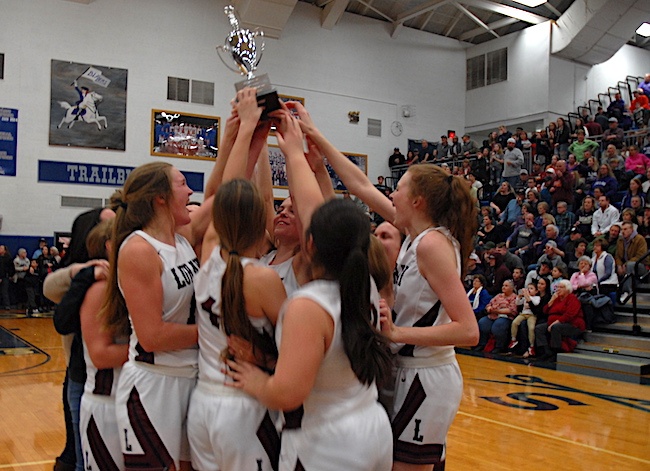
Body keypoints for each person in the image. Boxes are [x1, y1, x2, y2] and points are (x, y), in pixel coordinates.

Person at [285, 101, 478, 470]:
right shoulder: (416, 233)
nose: (392, 195)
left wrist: (396, 332)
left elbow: (468, 330)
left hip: (427, 374)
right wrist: (314, 135)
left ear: (418, 201)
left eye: (399, 189)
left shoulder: (433, 244)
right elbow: (358, 184)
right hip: (407, 369)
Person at [225, 199, 393, 471]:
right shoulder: (367, 289)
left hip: (326, 443)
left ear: (311, 244)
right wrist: (267, 361)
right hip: (374, 428)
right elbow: (331, 360)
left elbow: (287, 394)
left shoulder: (308, 306)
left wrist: (255, 381)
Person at [99, 161, 213, 471]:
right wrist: (216, 332)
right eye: (182, 184)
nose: (191, 191)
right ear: (160, 197)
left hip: (193, 375)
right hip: (154, 384)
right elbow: (152, 336)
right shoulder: (140, 249)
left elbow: (222, 191)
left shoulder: (181, 237)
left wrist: (245, 138)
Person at [188, 179, 287, 471]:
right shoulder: (262, 279)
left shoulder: (206, 262)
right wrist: (266, 359)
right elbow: (295, 349)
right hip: (246, 406)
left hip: (202, 403)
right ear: (261, 225)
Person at [78, 220, 127, 471]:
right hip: (105, 404)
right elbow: (100, 354)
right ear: (111, 247)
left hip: (130, 400)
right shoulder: (99, 290)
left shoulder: (125, 285)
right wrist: (157, 343)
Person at [534, 280, 585, 361]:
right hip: (553, 323)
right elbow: (545, 311)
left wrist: (555, 323)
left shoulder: (572, 298)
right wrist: (552, 300)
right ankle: (546, 351)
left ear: (568, 289)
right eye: (557, 287)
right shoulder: (556, 298)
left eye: (561, 287)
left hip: (572, 324)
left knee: (556, 328)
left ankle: (556, 352)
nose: (558, 289)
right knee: (539, 328)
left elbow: (569, 315)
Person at [476, 279, 518, 354]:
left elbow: (511, 310)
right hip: (492, 315)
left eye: (506, 286)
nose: (503, 287)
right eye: (503, 285)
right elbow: (489, 304)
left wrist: (497, 311)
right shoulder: (498, 295)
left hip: (505, 317)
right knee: (482, 323)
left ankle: (499, 346)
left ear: (512, 288)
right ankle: (482, 344)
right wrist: (489, 308)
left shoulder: (514, 297)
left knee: (498, 325)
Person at [508, 283, 541, 356]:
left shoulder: (537, 298)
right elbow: (518, 303)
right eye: (528, 288)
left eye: (531, 288)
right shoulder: (525, 297)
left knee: (531, 328)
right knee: (514, 323)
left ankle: (531, 345)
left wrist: (528, 296)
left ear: (536, 291)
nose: (529, 290)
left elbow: (535, 303)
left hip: (531, 315)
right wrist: (519, 297)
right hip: (523, 314)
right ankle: (513, 339)